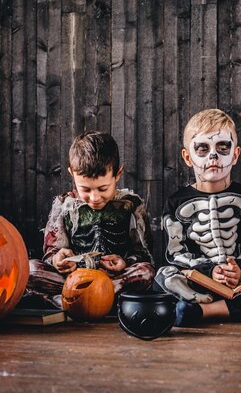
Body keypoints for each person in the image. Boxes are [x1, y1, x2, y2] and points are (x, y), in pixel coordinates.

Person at [153, 108, 241, 326]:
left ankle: (202, 312)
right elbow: (175, 253)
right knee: (162, 278)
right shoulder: (176, 202)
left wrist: (240, 269)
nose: (213, 156)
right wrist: (208, 271)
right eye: (202, 148)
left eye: (223, 147)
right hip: (198, 282)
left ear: (236, 154)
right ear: (187, 157)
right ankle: (239, 310)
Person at [23, 131, 156, 310]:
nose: (94, 198)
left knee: (145, 272)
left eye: (103, 188)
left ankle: (80, 299)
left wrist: (126, 262)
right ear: (72, 173)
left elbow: (144, 253)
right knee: (29, 270)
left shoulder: (131, 205)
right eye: (85, 189)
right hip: (73, 279)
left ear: (118, 174)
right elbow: (50, 253)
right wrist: (57, 260)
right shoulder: (64, 205)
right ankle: (93, 298)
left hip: (114, 279)